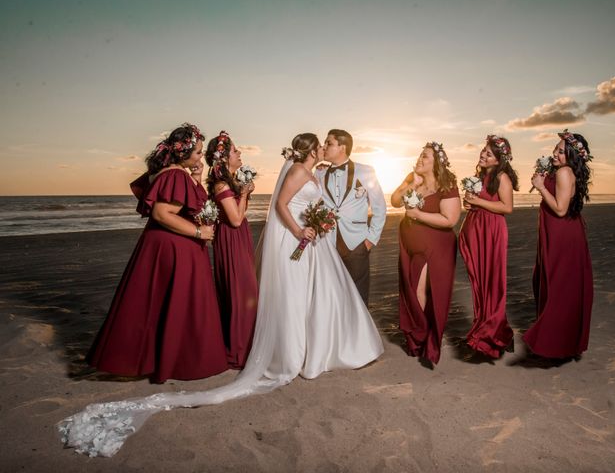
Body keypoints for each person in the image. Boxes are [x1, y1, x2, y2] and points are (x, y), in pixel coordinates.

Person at [58, 133, 383, 457]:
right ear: (312, 150)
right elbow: (281, 205)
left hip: (311, 243)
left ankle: (315, 349)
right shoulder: (299, 171)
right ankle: (292, 354)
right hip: (296, 241)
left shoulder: (316, 172)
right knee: (293, 298)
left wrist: (318, 222)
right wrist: (299, 229)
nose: (326, 147)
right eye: (322, 144)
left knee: (315, 297)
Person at [86, 123, 228, 383]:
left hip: (163, 245)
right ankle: (179, 361)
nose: (200, 157)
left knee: (158, 302)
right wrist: (200, 233)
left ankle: (158, 358)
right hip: (174, 247)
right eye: (196, 152)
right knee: (179, 302)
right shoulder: (175, 175)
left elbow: (181, 204)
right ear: (181, 153)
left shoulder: (166, 172)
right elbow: (162, 213)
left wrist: (195, 178)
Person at [523, 129, 593, 358]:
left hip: (562, 234)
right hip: (557, 232)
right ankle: (560, 342)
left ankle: (553, 343)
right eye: (555, 149)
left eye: (561, 151)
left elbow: (561, 209)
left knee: (558, 286)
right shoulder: (561, 170)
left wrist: (541, 187)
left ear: (572, 155)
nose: (555, 154)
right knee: (552, 282)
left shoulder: (564, 172)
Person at [390, 142, 460, 365]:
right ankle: (419, 335)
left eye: (425, 157)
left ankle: (423, 339)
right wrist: (407, 183)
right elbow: (394, 201)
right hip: (410, 245)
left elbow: (450, 219)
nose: (420, 159)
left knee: (422, 290)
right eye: (420, 155)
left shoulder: (446, 185)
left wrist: (417, 215)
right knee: (411, 289)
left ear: (436, 162)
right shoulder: (414, 181)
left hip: (435, 246)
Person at [459, 135, 519, 359]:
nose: (483, 155)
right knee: (480, 283)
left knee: (492, 282)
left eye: (489, 154)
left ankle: (488, 340)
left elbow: (507, 207)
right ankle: (498, 332)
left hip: (492, 232)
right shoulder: (481, 176)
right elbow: (476, 204)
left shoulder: (502, 177)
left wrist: (478, 202)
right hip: (476, 229)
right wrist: (469, 204)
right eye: (484, 151)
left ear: (499, 160)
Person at [316, 129, 387, 306]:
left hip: (357, 243)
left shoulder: (365, 171)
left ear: (342, 147)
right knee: (331, 297)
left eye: (329, 143)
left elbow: (379, 207)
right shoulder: (319, 173)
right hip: (327, 244)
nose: (324, 147)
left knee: (358, 299)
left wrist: (370, 240)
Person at [205, 131, 258, 369]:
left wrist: (244, 190)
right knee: (240, 290)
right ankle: (238, 349)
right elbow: (236, 219)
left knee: (246, 289)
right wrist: (245, 193)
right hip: (231, 238)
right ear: (225, 158)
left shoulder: (231, 181)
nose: (239, 153)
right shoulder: (221, 184)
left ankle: (246, 344)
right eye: (235, 151)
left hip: (238, 238)